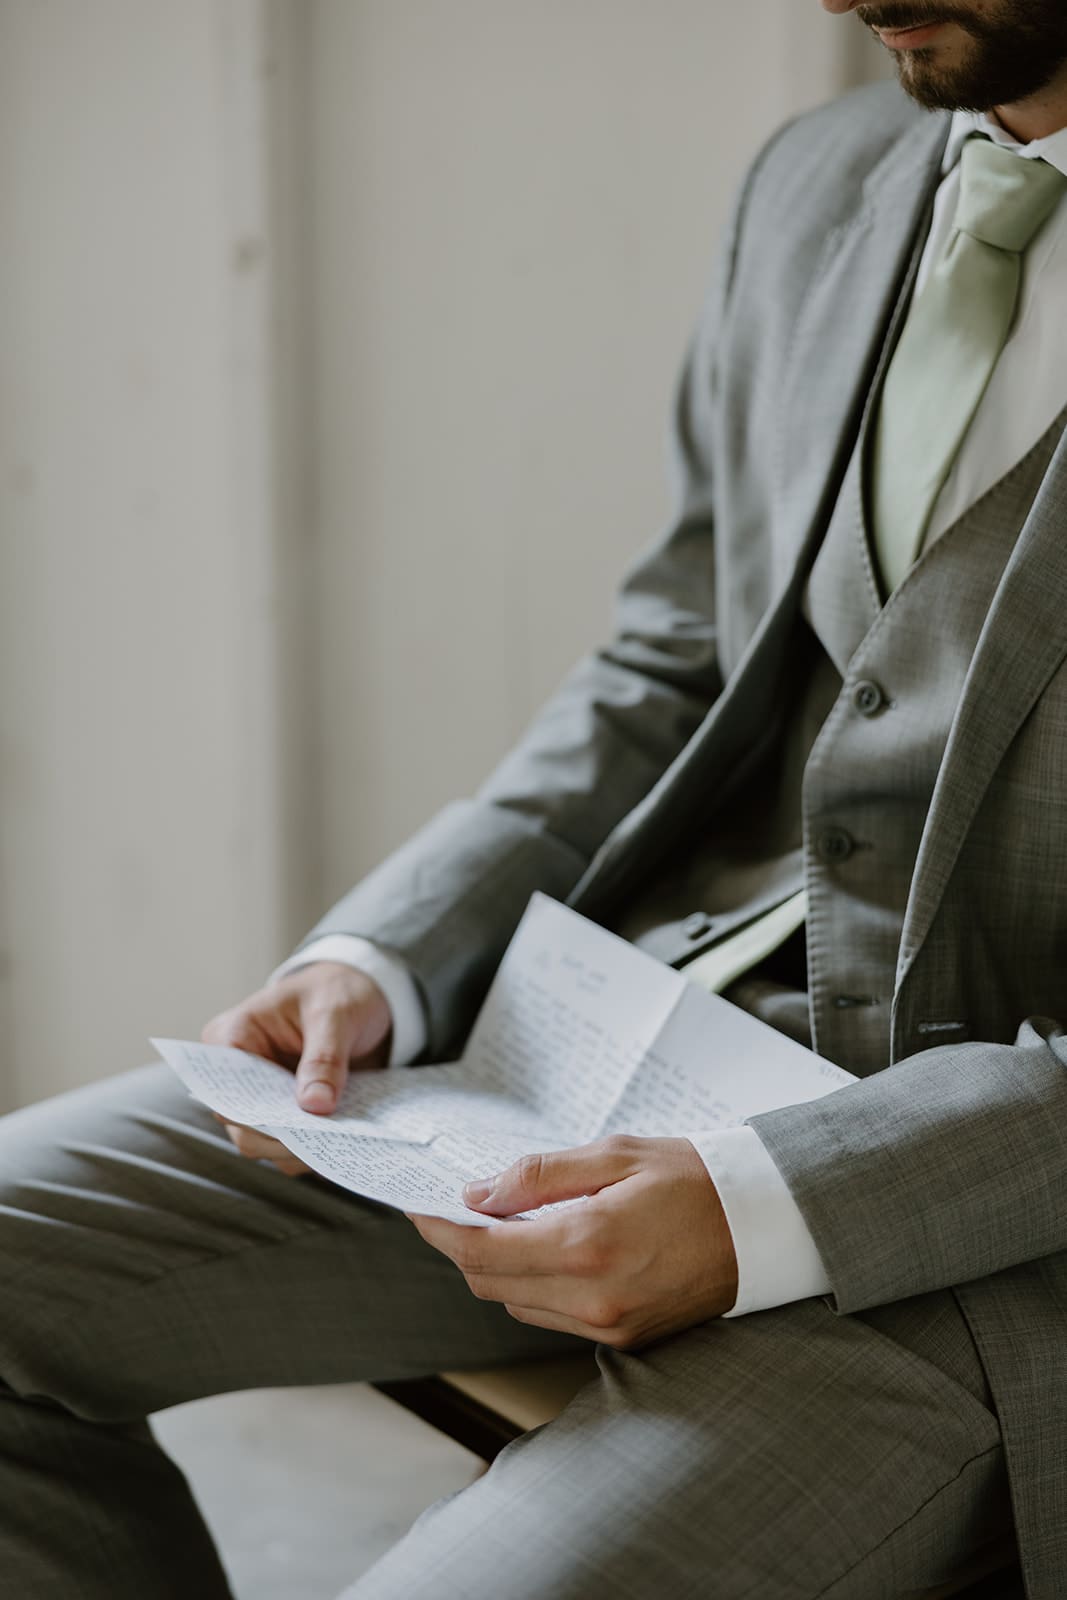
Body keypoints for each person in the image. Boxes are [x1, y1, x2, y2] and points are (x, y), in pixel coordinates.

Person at [4, 1, 1067, 1594]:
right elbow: (675, 660)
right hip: (619, 1057)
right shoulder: (819, 177)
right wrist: (380, 959)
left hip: (987, 1240)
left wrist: (778, 1206)